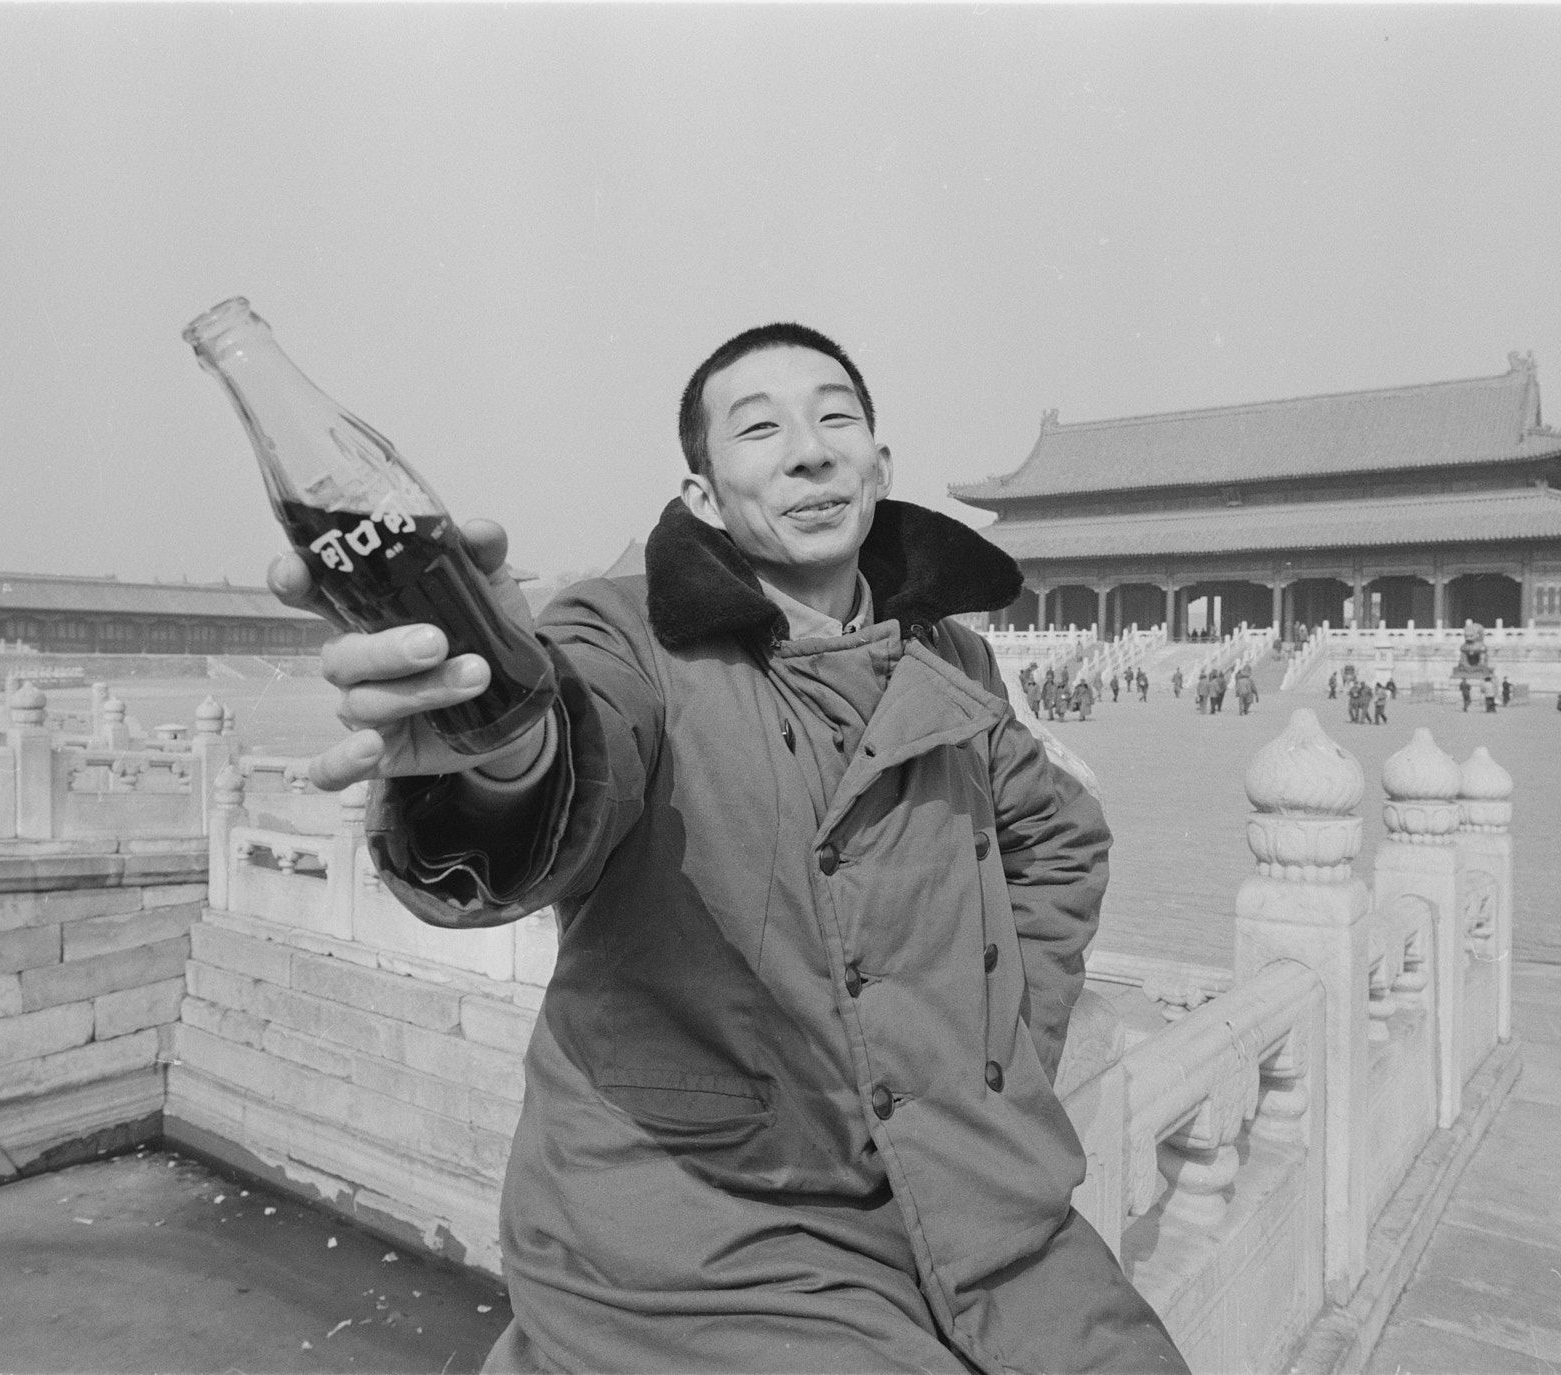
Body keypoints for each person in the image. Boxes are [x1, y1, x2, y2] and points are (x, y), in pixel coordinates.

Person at [270, 322, 1186, 1374]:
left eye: (835, 417)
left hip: (974, 1194)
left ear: (878, 468)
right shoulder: (628, 637)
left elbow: (1055, 832)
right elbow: (574, 746)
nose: (808, 449)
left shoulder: (950, 653)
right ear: (701, 494)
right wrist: (501, 747)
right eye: (758, 429)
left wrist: (997, 1053)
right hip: (706, 1220)